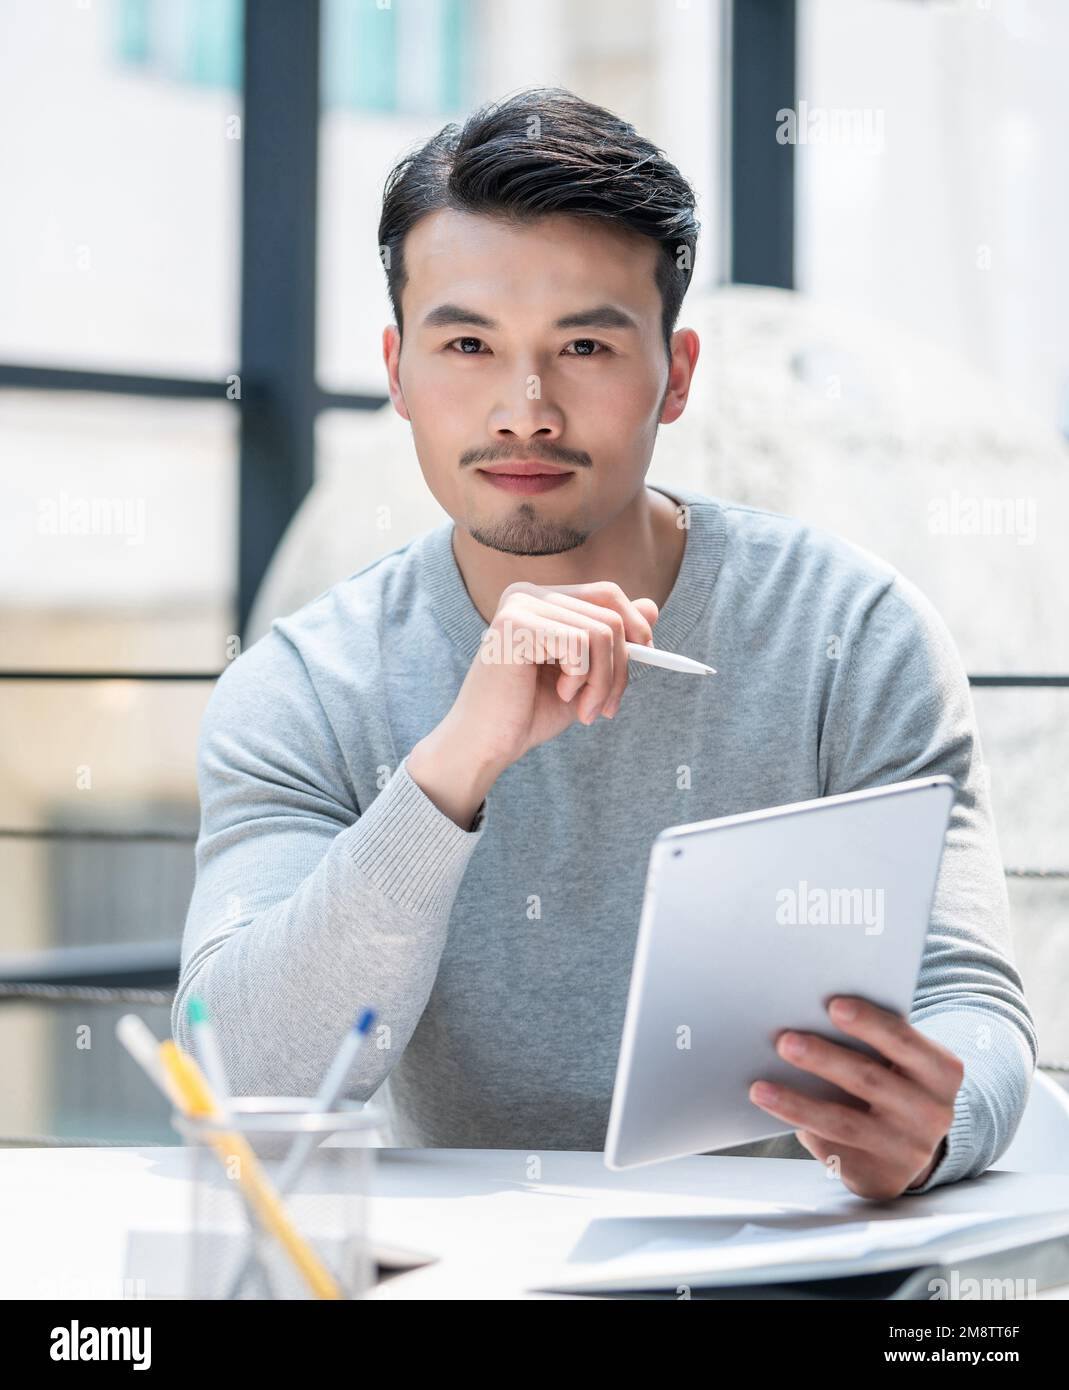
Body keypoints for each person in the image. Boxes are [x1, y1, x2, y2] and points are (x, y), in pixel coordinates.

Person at [174, 87, 1036, 1200]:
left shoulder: (849, 634)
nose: (525, 408)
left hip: (796, 1270)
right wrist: (450, 770)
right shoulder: (304, 683)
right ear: (396, 370)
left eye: (582, 344)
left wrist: (935, 1120)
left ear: (676, 374)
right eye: (470, 345)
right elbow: (241, 1073)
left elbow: (973, 1002)